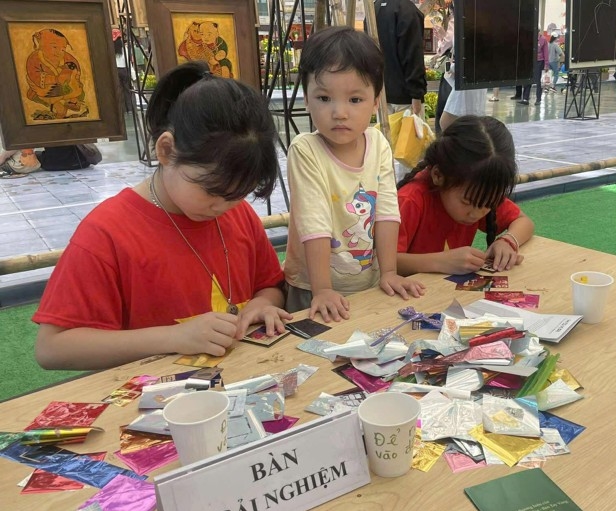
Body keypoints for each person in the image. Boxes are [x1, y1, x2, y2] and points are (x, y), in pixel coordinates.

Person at [32, 61, 290, 370]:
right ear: (166, 150)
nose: (223, 206)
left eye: (239, 194)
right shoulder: (107, 232)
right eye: (211, 190)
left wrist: (263, 305)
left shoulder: (238, 214)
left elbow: (270, 285)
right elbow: (52, 348)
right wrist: (173, 337)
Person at [284, 26, 425, 322]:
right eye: (324, 98)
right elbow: (314, 223)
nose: (339, 112)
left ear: (375, 101)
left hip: (367, 285)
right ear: (306, 98)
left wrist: (389, 272)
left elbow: (386, 212)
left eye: (355, 100)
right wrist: (322, 289)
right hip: (311, 288)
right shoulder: (305, 149)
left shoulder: (378, 143)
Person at [395, 115, 534, 275]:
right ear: (438, 175)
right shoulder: (410, 200)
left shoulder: (479, 193)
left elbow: (524, 221)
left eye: (488, 204)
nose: (476, 214)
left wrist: (508, 241)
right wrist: (440, 262)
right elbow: (383, 262)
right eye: (467, 202)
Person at [521, 30, 547, 105]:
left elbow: (546, 53)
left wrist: (546, 64)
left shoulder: (543, 40)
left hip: (539, 62)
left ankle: (538, 99)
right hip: (529, 61)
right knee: (528, 79)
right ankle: (525, 99)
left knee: (538, 81)